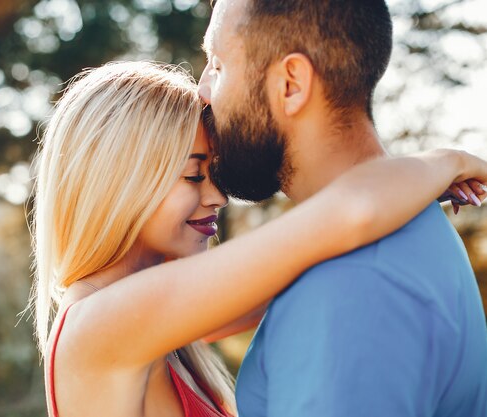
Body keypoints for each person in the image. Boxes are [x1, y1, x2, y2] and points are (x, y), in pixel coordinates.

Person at [27, 61, 487, 417]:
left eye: (215, 173)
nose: (218, 196)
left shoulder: (156, 323)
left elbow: (312, 255)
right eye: (193, 175)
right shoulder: (100, 327)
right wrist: (447, 161)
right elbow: (345, 217)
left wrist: (403, 193)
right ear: (116, 181)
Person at [197, 0, 487, 416]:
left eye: (219, 65)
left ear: (291, 84)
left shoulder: (351, 286)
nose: (204, 89)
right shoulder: (401, 229)